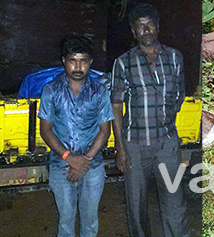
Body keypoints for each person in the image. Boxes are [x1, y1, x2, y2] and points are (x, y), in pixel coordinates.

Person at [110, 3, 187, 237]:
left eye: (150, 25)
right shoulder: (123, 62)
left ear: (158, 27)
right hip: (135, 145)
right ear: (133, 32)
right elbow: (116, 105)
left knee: (175, 202)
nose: (146, 31)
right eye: (140, 27)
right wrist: (120, 147)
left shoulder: (174, 57)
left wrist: (166, 123)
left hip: (167, 143)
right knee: (136, 206)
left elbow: (179, 96)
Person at [39, 35, 114, 237]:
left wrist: (84, 161)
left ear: (91, 62)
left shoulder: (100, 91)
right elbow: (46, 130)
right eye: (73, 60)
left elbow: (105, 130)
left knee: (90, 222)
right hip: (61, 166)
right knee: (65, 222)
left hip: (92, 166)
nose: (78, 67)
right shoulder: (51, 90)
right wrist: (70, 158)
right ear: (64, 60)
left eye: (83, 61)